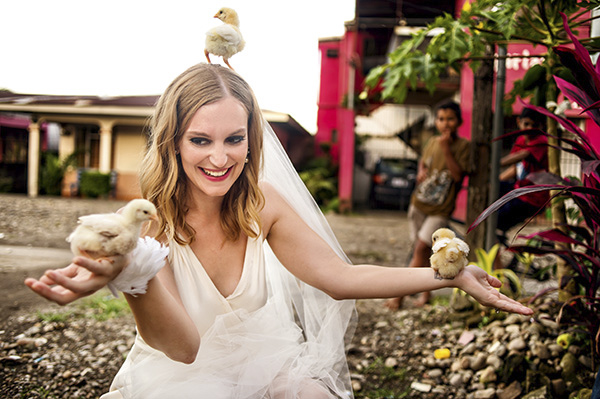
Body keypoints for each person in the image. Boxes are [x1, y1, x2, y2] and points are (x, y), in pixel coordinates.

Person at [25, 64, 531, 399]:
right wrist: (133, 273)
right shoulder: (147, 221)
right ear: (173, 143)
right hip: (180, 379)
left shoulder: (261, 204)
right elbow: (182, 349)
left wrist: (450, 277)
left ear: (252, 140)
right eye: (200, 140)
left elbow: (340, 278)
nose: (220, 158)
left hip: (262, 359)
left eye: (234, 139)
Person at [385, 100, 471, 310]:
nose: (445, 124)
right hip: (419, 203)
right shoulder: (432, 141)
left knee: (422, 248)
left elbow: (459, 175)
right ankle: (427, 294)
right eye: (441, 119)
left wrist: (447, 149)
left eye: (450, 119)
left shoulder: (463, 146)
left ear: (459, 121)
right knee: (421, 251)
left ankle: (399, 297)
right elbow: (424, 161)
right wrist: (421, 171)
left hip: (440, 210)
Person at [496, 107, 549, 234]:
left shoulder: (541, 141)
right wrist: (495, 179)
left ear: (540, 126)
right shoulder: (521, 139)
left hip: (533, 197)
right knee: (491, 189)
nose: (529, 128)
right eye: (526, 124)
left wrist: (495, 163)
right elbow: (515, 168)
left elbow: (522, 155)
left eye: (534, 125)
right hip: (518, 190)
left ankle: (496, 246)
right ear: (518, 122)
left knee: (497, 220)